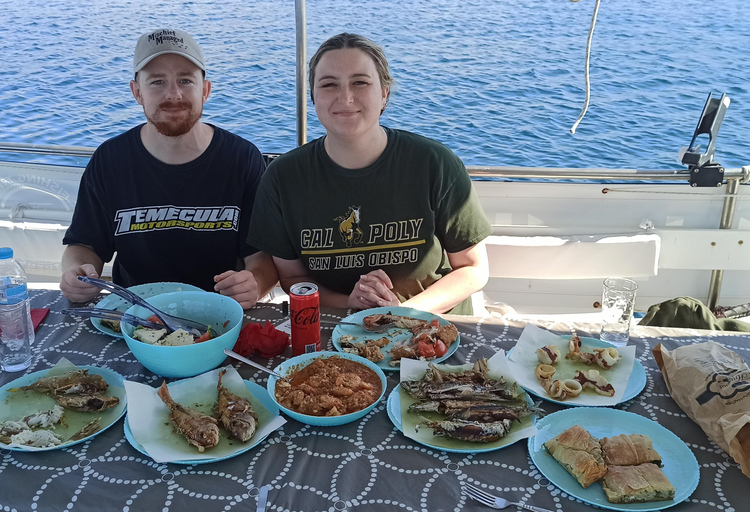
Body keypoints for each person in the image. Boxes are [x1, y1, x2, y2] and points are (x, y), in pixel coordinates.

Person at [249, 33, 491, 314]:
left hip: (434, 325)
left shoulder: (435, 164)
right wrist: (350, 306)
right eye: (329, 84)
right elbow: (293, 278)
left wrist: (401, 314)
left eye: (360, 82)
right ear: (313, 96)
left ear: (384, 92)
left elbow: (474, 269)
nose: (346, 97)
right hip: (342, 326)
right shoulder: (283, 178)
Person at [60, 28, 276, 309]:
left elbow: (261, 255)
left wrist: (254, 284)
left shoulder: (242, 159)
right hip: (133, 313)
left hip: (219, 312)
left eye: (185, 80)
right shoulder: (109, 161)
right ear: (137, 92)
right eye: (157, 81)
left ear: (206, 90)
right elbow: (83, 246)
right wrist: (76, 274)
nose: (173, 94)